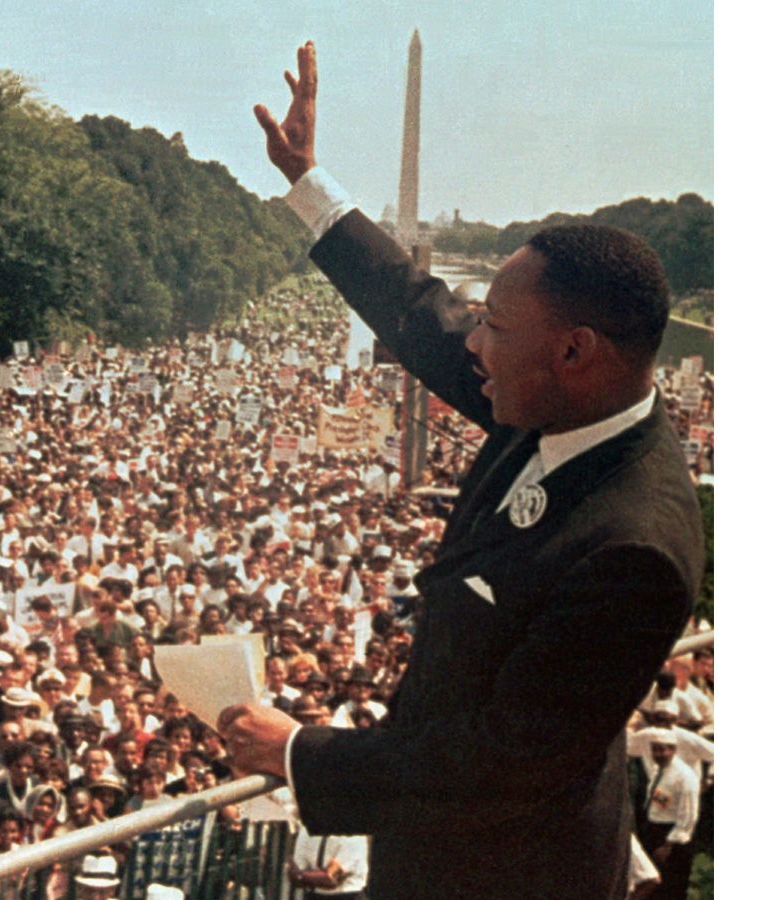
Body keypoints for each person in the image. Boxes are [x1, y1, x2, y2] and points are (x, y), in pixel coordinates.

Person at [219, 42, 703, 899]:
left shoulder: (635, 549)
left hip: (507, 869)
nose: (470, 344)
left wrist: (301, 751)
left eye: (493, 326)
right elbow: (417, 313)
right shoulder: (564, 403)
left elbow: (504, 762)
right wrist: (307, 182)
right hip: (440, 839)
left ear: (573, 350)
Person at [635, 730, 699, 900]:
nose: (658, 754)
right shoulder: (660, 769)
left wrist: (668, 846)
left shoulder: (685, 777)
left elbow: (688, 816)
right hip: (654, 830)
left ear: (673, 750)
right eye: (655, 750)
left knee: (671, 886)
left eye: (663, 750)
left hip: (672, 837)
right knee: (655, 884)